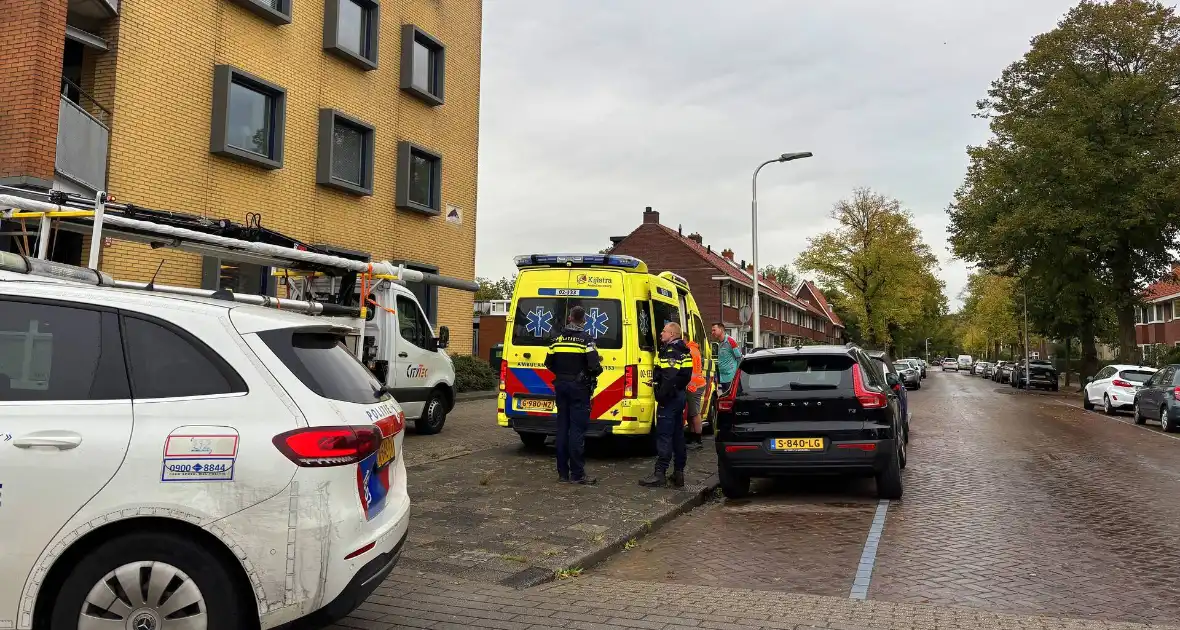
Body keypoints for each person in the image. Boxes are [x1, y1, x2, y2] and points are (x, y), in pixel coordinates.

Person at [544, 306, 602, 485]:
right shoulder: (586, 340)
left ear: (569, 318)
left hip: (561, 386)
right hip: (579, 389)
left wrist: (562, 375)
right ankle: (577, 474)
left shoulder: (557, 339)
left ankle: (562, 473)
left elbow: (548, 363)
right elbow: (593, 366)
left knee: (562, 429)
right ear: (583, 320)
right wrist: (594, 370)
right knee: (577, 431)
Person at [640, 322, 694, 488]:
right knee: (678, 435)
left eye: (663, 331)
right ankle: (678, 473)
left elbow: (670, 377)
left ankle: (660, 474)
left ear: (672, 334)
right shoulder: (683, 350)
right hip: (678, 397)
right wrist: (656, 381)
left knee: (664, 435)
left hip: (670, 399)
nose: (661, 333)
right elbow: (680, 376)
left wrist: (661, 394)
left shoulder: (671, 351)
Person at [685, 337, 706, 450]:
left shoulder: (689, 351)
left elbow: (689, 370)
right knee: (692, 413)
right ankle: (693, 437)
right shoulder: (694, 349)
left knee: (694, 413)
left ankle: (697, 440)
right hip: (697, 384)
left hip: (694, 386)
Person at [711, 323, 742, 397]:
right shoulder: (720, 343)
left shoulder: (730, 341)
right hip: (721, 378)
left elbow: (739, 358)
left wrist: (736, 375)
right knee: (721, 398)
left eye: (714, 330)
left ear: (721, 330)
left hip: (730, 379)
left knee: (729, 400)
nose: (712, 332)